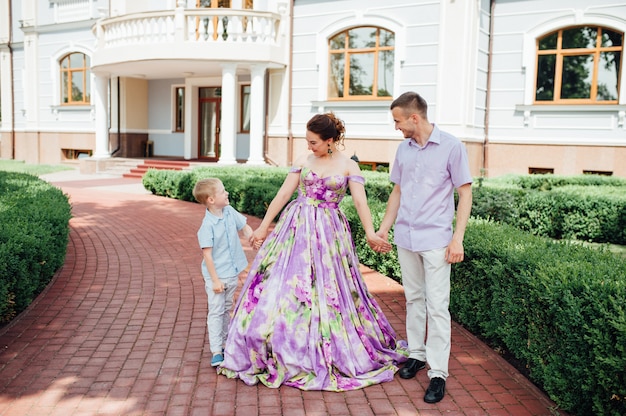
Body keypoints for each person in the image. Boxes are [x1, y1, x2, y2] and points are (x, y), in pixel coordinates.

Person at [218, 113, 407, 391]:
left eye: (314, 142)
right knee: (286, 285)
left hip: (330, 231)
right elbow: (283, 195)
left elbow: (359, 201)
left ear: (330, 141)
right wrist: (262, 228)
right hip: (296, 227)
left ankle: (326, 342)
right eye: (307, 141)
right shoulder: (303, 160)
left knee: (328, 287)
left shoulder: (348, 166)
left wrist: (370, 231)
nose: (309, 146)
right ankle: (280, 341)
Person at [376, 92, 473, 403]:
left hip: (435, 240)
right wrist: (383, 229)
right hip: (406, 237)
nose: (396, 127)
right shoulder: (403, 150)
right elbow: (397, 192)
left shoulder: (451, 146)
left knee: (437, 306)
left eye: (397, 120)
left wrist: (457, 238)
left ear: (414, 118)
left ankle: (438, 374)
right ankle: (416, 355)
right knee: (414, 299)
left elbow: (465, 193)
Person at [193, 178, 253, 367]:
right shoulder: (207, 226)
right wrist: (215, 281)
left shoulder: (229, 211)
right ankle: (216, 350)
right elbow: (208, 256)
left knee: (227, 307)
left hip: (232, 271)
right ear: (211, 199)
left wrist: (252, 237)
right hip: (216, 276)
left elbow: (244, 228)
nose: (226, 193)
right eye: (222, 191)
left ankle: (227, 342)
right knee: (216, 310)